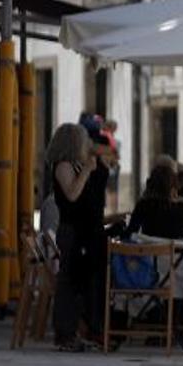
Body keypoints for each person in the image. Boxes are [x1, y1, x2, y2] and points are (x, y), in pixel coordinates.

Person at [47, 124, 109, 351]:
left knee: (85, 281)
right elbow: (72, 195)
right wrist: (85, 172)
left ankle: (84, 329)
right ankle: (65, 334)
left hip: (88, 231)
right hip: (72, 230)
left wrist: (97, 166)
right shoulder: (63, 166)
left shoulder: (81, 164)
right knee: (69, 282)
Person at [127, 164, 183, 240]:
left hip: (147, 250)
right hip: (174, 251)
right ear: (173, 188)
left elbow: (130, 233)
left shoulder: (143, 206)